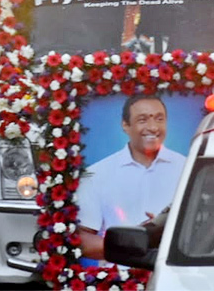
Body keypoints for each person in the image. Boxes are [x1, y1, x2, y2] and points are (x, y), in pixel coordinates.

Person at [77, 95, 188, 260]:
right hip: (117, 280)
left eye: (159, 119)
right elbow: (83, 240)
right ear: (125, 125)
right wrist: (132, 242)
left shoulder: (187, 169)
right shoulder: (97, 174)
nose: (153, 127)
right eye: (142, 120)